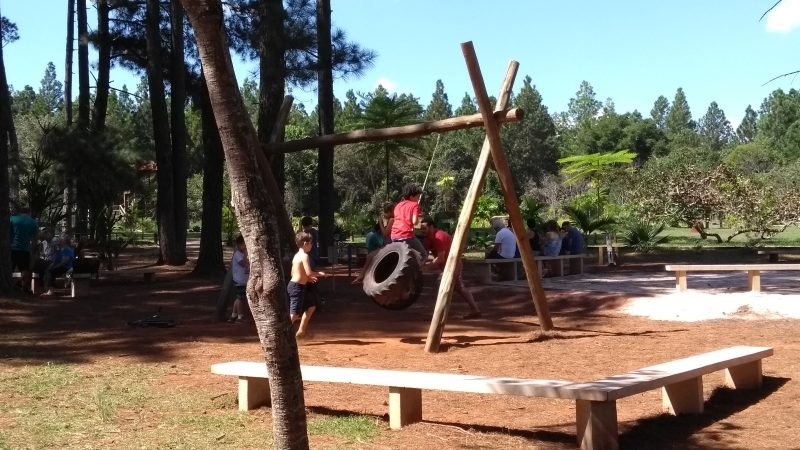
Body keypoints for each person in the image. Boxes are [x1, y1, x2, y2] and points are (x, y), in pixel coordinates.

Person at [421, 217, 481, 319]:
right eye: (421, 229)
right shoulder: (427, 239)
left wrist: (426, 268)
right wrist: (421, 264)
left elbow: (440, 258)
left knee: (442, 285)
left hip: (454, 265)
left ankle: (440, 314)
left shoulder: (439, 237)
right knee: (459, 288)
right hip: (445, 267)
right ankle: (475, 310)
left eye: (424, 229)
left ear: (431, 227)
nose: (422, 231)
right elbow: (425, 255)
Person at [289, 231, 326, 339]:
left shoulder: (297, 255)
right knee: (294, 315)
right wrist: (320, 274)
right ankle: (281, 335)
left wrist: (307, 279)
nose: (312, 245)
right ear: (305, 244)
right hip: (297, 287)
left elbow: (294, 272)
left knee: (311, 307)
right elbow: (309, 272)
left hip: (298, 286)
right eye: (310, 243)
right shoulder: (304, 256)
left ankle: (301, 331)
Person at [390, 183, 427, 261]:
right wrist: (423, 226)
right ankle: (417, 272)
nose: (418, 199)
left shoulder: (398, 205)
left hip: (394, 236)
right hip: (407, 236)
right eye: (417, 197)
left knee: (402, 257)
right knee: (423, 255)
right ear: (411, 196)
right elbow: (415, 222)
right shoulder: (414, 205)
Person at [10, 207, 39, 293]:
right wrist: (33, 251)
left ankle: (12, 284)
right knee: (25, 270)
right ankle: (19, 283)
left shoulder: (12, 219)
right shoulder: (33, 222)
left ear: (20, 212)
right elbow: (35, 239)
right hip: (25, 249)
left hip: (12, 249)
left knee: (9, 269)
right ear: (29, 212)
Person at [228, 235, 250, 323]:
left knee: (239, 298)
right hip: (239, 280)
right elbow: (243, 263)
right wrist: (246, 254)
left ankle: (233, 315)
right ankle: (240, 317)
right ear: (238, 245)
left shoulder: (242, 254)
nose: (245, 246)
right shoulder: (237, 254)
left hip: (244, 280)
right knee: (240, 298)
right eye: (243, 244)